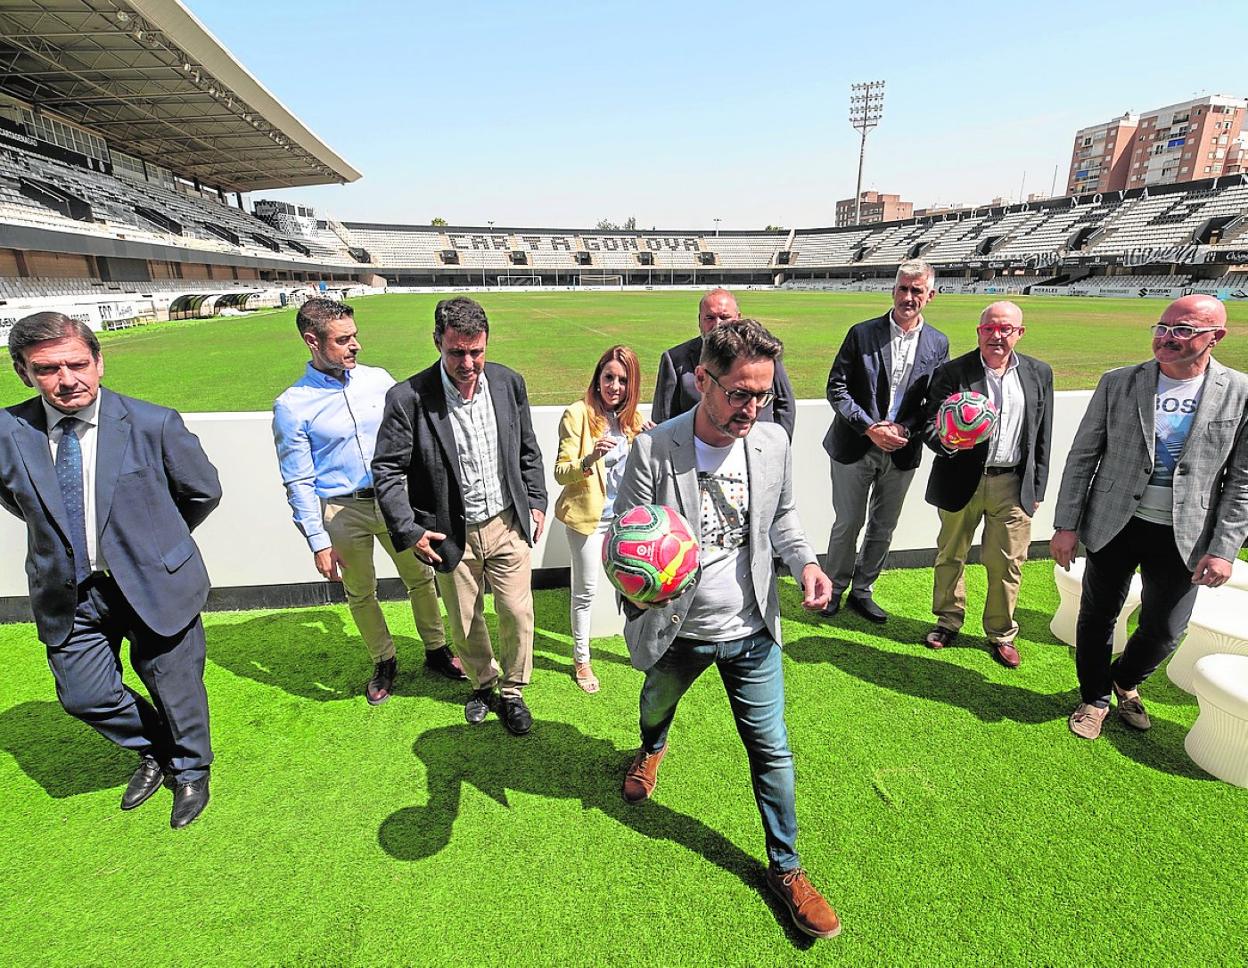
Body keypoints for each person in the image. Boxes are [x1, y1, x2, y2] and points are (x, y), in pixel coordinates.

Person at [615, 318, 841, 940]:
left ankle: (787, 869)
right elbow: (624, 541)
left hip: (752, 628)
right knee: (655, 706)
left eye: (762, 393)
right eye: (739, 392)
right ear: (701, 380)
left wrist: (807, 563)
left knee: (772, 749)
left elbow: (784, 520)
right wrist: (640, 589)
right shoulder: (654, 449)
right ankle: (651, 750)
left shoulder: (772, 442)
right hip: (678, 630)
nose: (752, 407)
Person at [0, 312, 220, 829]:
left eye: (77, 364)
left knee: (176, 685)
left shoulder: (152, 422)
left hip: (156, 580)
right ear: (23, 372)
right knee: (84, 695)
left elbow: (202, 492)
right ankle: (161, 748)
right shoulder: (8, 432)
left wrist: (155, 542)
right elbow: (17, 500)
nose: (66, 379)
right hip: (69, 591)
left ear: (99, 362)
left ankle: (191, 770)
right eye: (47, 368)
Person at [1052, 294, 1248, 740]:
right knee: (1098, 615)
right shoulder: (1119, 382)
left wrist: (1223, 549)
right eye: (1162, 327)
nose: (1167, 338)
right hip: (1114, 522)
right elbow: (1083, 456)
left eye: (1183, 330)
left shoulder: (1240, 392)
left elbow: (1242, 479)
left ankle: (1124, 680)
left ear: (1215, 337)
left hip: (1186, 534)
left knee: (1164, 629)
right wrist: (1066, 525)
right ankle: (1095, 698)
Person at [271, 298, 462, 707]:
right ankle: (384, 660)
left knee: (421, 578)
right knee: (360, 592)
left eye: (354, 335)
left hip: (397, 503)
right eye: (343, 340)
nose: (355, 345)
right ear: (312, 341)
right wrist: (318, 541)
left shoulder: (380, 381)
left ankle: (436, 649)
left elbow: (413, 439)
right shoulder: (292, 405)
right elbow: (298, 479)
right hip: (343, 511)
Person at [372, 296, 548, 735]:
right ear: (437, 342)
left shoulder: (509, 383)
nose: (469, 363)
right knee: (466, 619)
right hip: (451, 533)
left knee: (517, 612)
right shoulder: (408, 398)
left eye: (477, 351)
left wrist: (538, 501)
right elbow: (387, 470)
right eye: (457, 352)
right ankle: (483, 684)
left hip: (509, 522)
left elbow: (527, 449)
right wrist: (410, 530)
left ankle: (513, 691)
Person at [920, 301, 1053, 668]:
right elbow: (929, 424)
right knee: (951, 554)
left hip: (1012, 483)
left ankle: (1001, 633)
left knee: (1008, 562)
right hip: (961, 479)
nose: (997, 336)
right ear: (979, 331)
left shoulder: (1039, 373)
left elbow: (1042, 433)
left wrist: (1037, 487)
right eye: (989, 329)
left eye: (1005, 329)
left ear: (1019, 333)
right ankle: (947, 620)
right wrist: (947, 440)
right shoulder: (952, 372)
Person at [821, 260, 950, 623]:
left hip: (903, 450)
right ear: (893, 290)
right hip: (854, 445)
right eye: (903, 289)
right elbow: (837, 388)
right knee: (847, 522)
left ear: (930, 296)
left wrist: (905, 430)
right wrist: (869, 427)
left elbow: (936, 401)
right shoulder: (862, 333)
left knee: (883, 526)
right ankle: (833, 587)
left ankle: (863, 591)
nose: (909, 297)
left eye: (917, 291)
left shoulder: (938, 343)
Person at [553, 345, 648, 693]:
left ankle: (642, 649)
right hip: (589, 521)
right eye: (608, 377)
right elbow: (561, 472)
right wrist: (590, 458)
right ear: (598, 378)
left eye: (623, 380)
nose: (615, 386)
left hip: (625, 521)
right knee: (587, 591)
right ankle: (582, 660)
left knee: (637, 587)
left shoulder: (633, 420)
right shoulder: (577, 414)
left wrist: (651, 440)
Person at [650, 288, 796, 437]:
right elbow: (663, 418)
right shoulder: (675, 359)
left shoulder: (763, 355)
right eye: (710, 318)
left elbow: (785, 405)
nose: (717, 324)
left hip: (759, 451)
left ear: (738, 318)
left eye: (724, 317)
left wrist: (778, 445)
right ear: (699, 320)